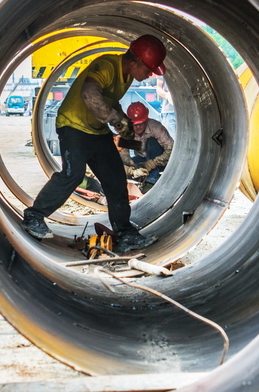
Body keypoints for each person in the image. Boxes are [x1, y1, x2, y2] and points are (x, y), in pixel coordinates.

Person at [21, 34, 168, 253]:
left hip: (96, 132)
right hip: (73, 126)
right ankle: (34, 216)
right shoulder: (107, 64)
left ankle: (124, 234)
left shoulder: (126, 76)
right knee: (73, 174)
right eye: (148, 70)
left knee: (116, 180)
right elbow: (90, 94)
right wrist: (117, 120)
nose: (148, 76)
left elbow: (109, 99)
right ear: (134, 62)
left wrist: (121, 120)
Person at [120, 102, 174, 193]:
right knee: (120, 166)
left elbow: (171, 149)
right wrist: (131, 165)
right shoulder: (127, 131)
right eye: (134, 124)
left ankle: (151, 181)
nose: (138, 127)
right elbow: (123, 152)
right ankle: (137, 181)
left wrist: (154, 163)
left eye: (141, 123)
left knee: (151, 142)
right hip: (142, 160)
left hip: (160, 160)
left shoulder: (155, 127)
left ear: (146, 119)